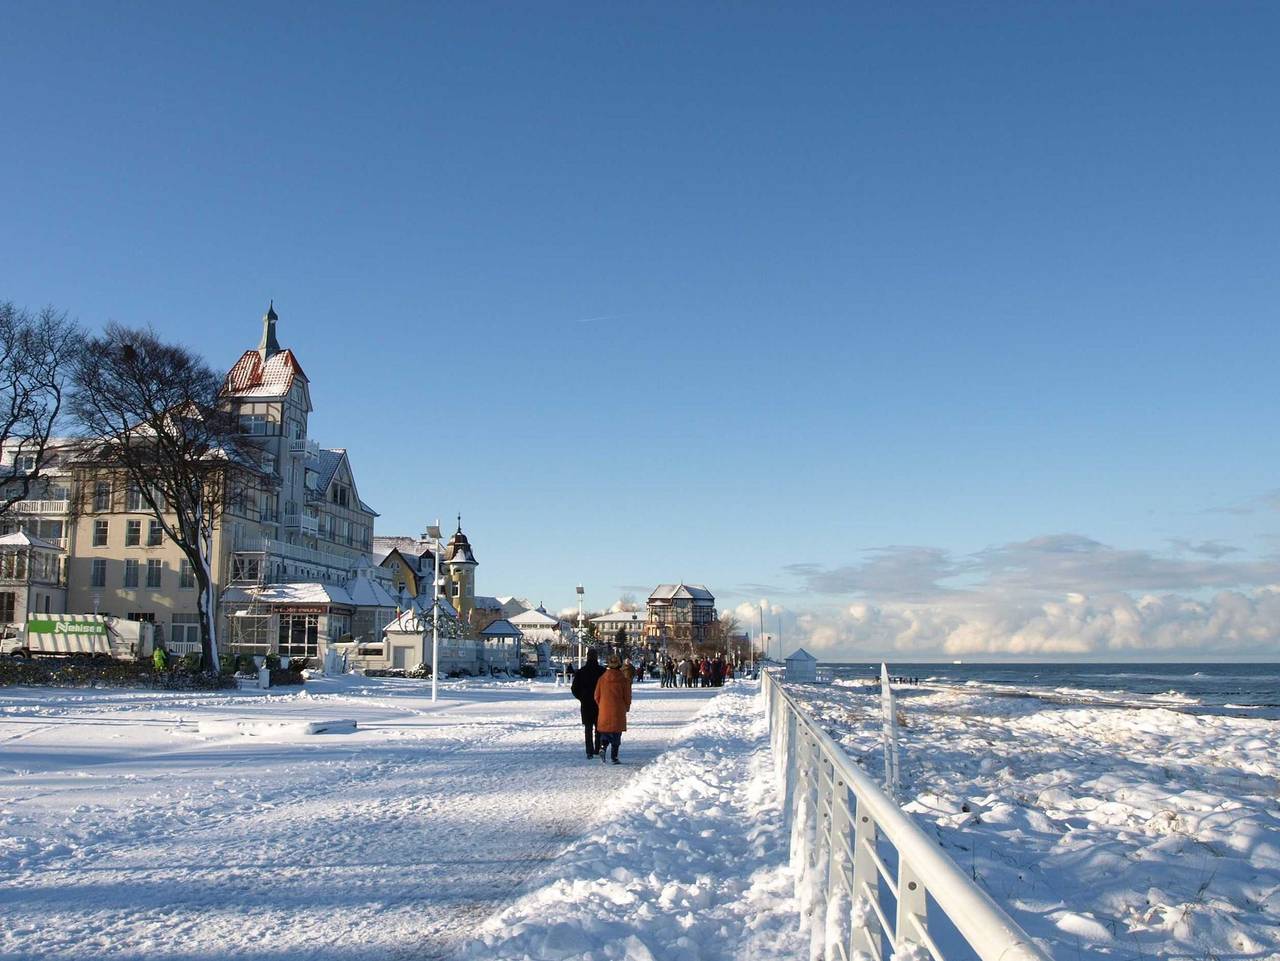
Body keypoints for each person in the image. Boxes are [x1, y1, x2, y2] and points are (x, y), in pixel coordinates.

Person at [594, 654, 631, 764]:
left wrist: (601, 705)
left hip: (604, 709)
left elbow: (596, 695)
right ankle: (614, 757)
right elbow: (627, 696)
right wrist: (627, 706)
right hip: (618, 709)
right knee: (616, 734)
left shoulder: (602, 679)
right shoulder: (623, 680)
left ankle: (602, 747)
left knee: (605, 732)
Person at [571, 649, 605, 758]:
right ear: (596, 657)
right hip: (600, 703)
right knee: (599, 728)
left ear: (587, 657)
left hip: (586, 704)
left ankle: (589, 751)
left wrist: (582, 698)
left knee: (588, 728)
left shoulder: (581, 672)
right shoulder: (602, 671)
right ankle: (597, 748)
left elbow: (574, 688)